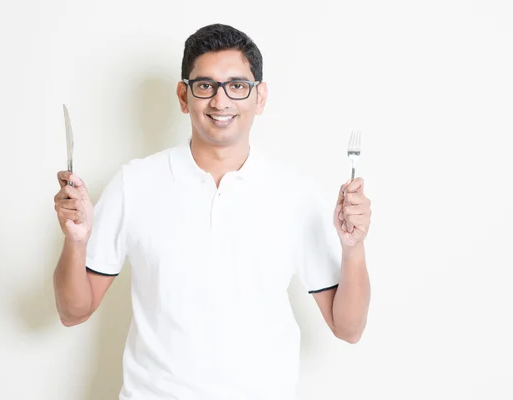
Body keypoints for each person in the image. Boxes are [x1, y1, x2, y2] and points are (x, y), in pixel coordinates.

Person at [53, 23, 371, 400]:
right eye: (206, 86)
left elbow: (348, 328)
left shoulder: (295, 195)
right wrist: (75, 242)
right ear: (184, 96)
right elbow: (73, 311)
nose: (221, 102)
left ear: (260, 97)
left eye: (237, 86)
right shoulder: (134, 184)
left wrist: (353, 249)